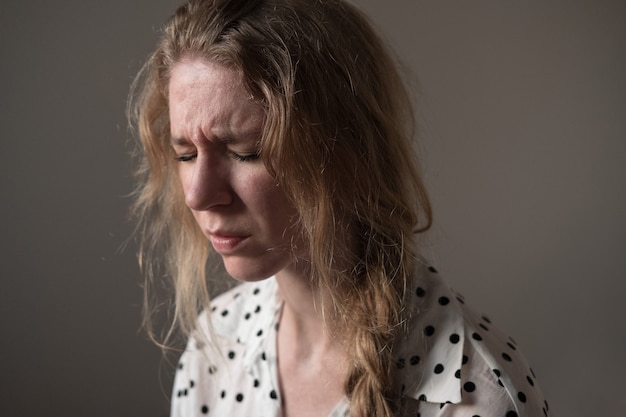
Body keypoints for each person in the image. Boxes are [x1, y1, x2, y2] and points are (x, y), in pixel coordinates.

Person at [129, 0, 550, 416]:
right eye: (184, 154)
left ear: (347, 154)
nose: (197, 195)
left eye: (245, 152)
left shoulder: (476, 395)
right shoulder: (217, 343)